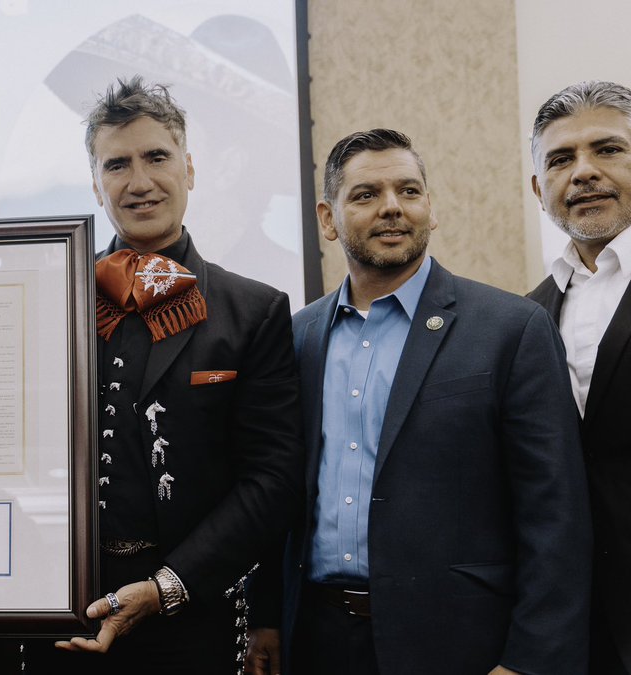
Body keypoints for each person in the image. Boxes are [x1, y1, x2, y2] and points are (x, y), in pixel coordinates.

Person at [245, 128, 591, 675]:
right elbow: (278, 492)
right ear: (328, 219)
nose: (392, 207)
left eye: (408, 191)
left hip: (459, 642)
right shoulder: (297, 336)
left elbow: (556, 513)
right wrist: (267, 616)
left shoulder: (511, 329)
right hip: (316, 638)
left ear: (431, 208)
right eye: (366, 195)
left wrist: (530, 660)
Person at [36, 75, 304, 673]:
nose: (139, 182)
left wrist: (167, 587)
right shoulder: (50, 294)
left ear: (190, 169)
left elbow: (273, 479)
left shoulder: (254, 311)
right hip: (61, 607)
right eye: (117, 164)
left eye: (157, 157)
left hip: (192, 614)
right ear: (96, 183)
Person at [527, 80, 631, 675]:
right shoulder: (525, 314)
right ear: (538, 188)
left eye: (608, 149)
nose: (584, 172)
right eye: (561, 159)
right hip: (576, 628)